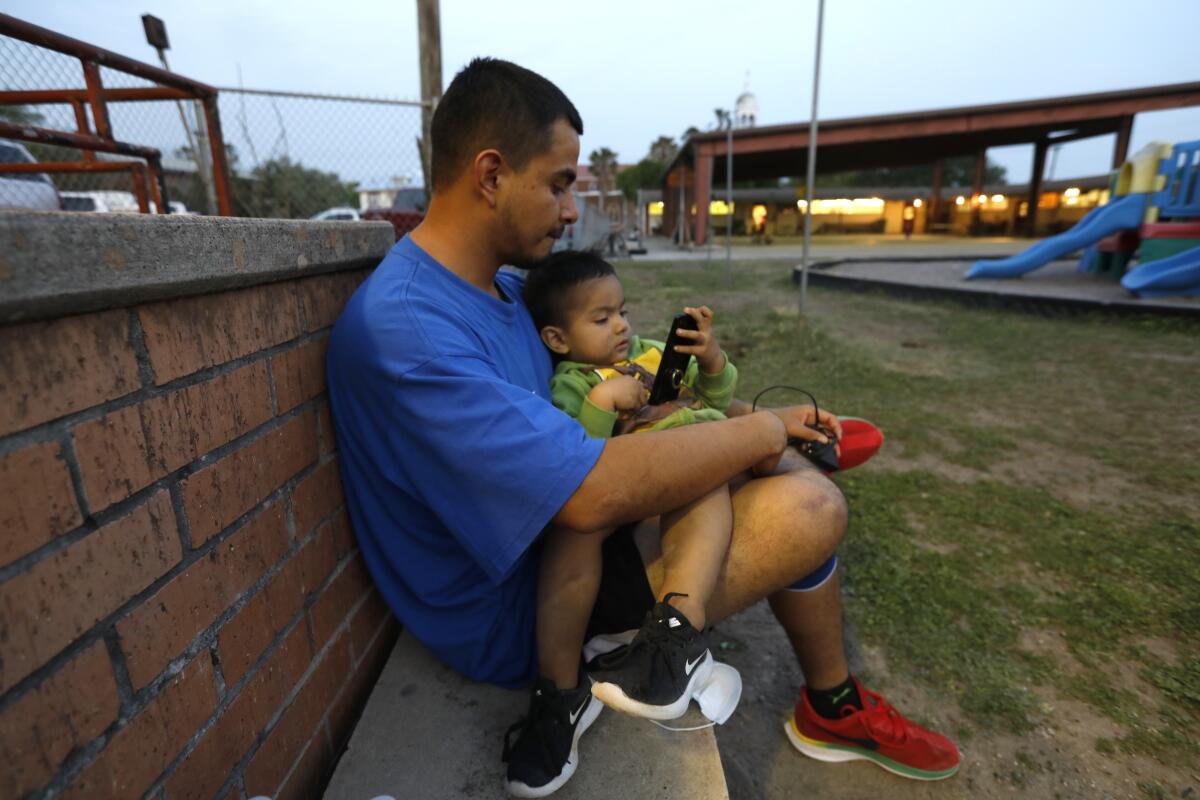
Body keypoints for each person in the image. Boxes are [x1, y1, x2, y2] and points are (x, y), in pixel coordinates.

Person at [327, 57, 960, 799]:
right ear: (491, 174)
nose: (571, 210)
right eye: (560, 184)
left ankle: (830, 701)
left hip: (564, 542)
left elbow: (589, 411)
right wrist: (760, 436)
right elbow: (587, 495)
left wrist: (740, 417)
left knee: (748, 454)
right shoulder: (410, 329)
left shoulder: (497, 289)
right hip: (524, 610)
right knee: (807, 504)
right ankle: (822, 699)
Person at [522, 251, 738, 723]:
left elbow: (714, 396)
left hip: (709, 444)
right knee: (709, 487)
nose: (620, 326)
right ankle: (680, 632)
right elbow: (582, 462)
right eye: (601, 318)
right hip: (654, 481)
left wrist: (712, 357)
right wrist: (602, 401)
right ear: (557, 338)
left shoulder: (649, 352)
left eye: (622, 311)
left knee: (764, 462)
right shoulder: (573, 385)